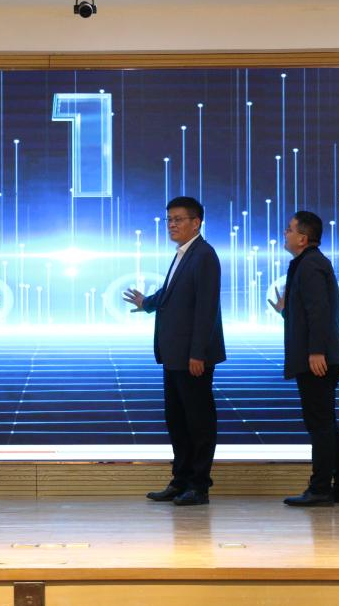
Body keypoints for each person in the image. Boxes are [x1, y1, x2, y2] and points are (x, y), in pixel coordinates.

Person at [124, 196, 225, 506]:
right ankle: (180, 480)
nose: (171, 225)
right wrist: (147, 303)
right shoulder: (184, 254)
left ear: (196, 223)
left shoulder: (204, 255)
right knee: (178, 420)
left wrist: (198, 353)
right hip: (174, 355)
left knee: (198, 422)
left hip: (192, 357)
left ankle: (198, 485)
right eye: (169, 219)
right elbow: (171, 293)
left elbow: (206, 308)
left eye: (178, 219)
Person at [269, 211, 339, 507]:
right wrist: (286, 310)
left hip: (319, 358)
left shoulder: (310, 265)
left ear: (303, 238)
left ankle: (320, 489)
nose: (285, 233)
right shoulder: (308, 263)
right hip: (319, 356)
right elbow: (310, 312)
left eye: (289, 229)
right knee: (325, 423)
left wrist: (316, 351)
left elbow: (320, 311)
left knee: (319, 425)